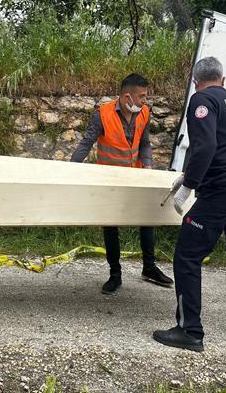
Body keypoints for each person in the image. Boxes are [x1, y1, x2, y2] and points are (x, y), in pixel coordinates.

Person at [153, 57, 226, 352]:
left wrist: (189, 186)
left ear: (195, 81)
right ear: (223, 79)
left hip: (224, 188)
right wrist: (188, 175)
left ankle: (190, 331)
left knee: (187, 255)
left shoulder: (201, 98)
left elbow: (206, 146)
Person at [71, 73, 173, 294]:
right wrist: (70, 170)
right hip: (109, 179)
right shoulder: (103, 115)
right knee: (111, 225)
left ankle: (149, 268)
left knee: (148, 219)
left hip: (136, 176)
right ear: (128, 96)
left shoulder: (144, 113)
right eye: (142, 96)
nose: (145, 101)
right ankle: (115, 274)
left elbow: (144, 143)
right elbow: (87, 142)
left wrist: (147, 165)